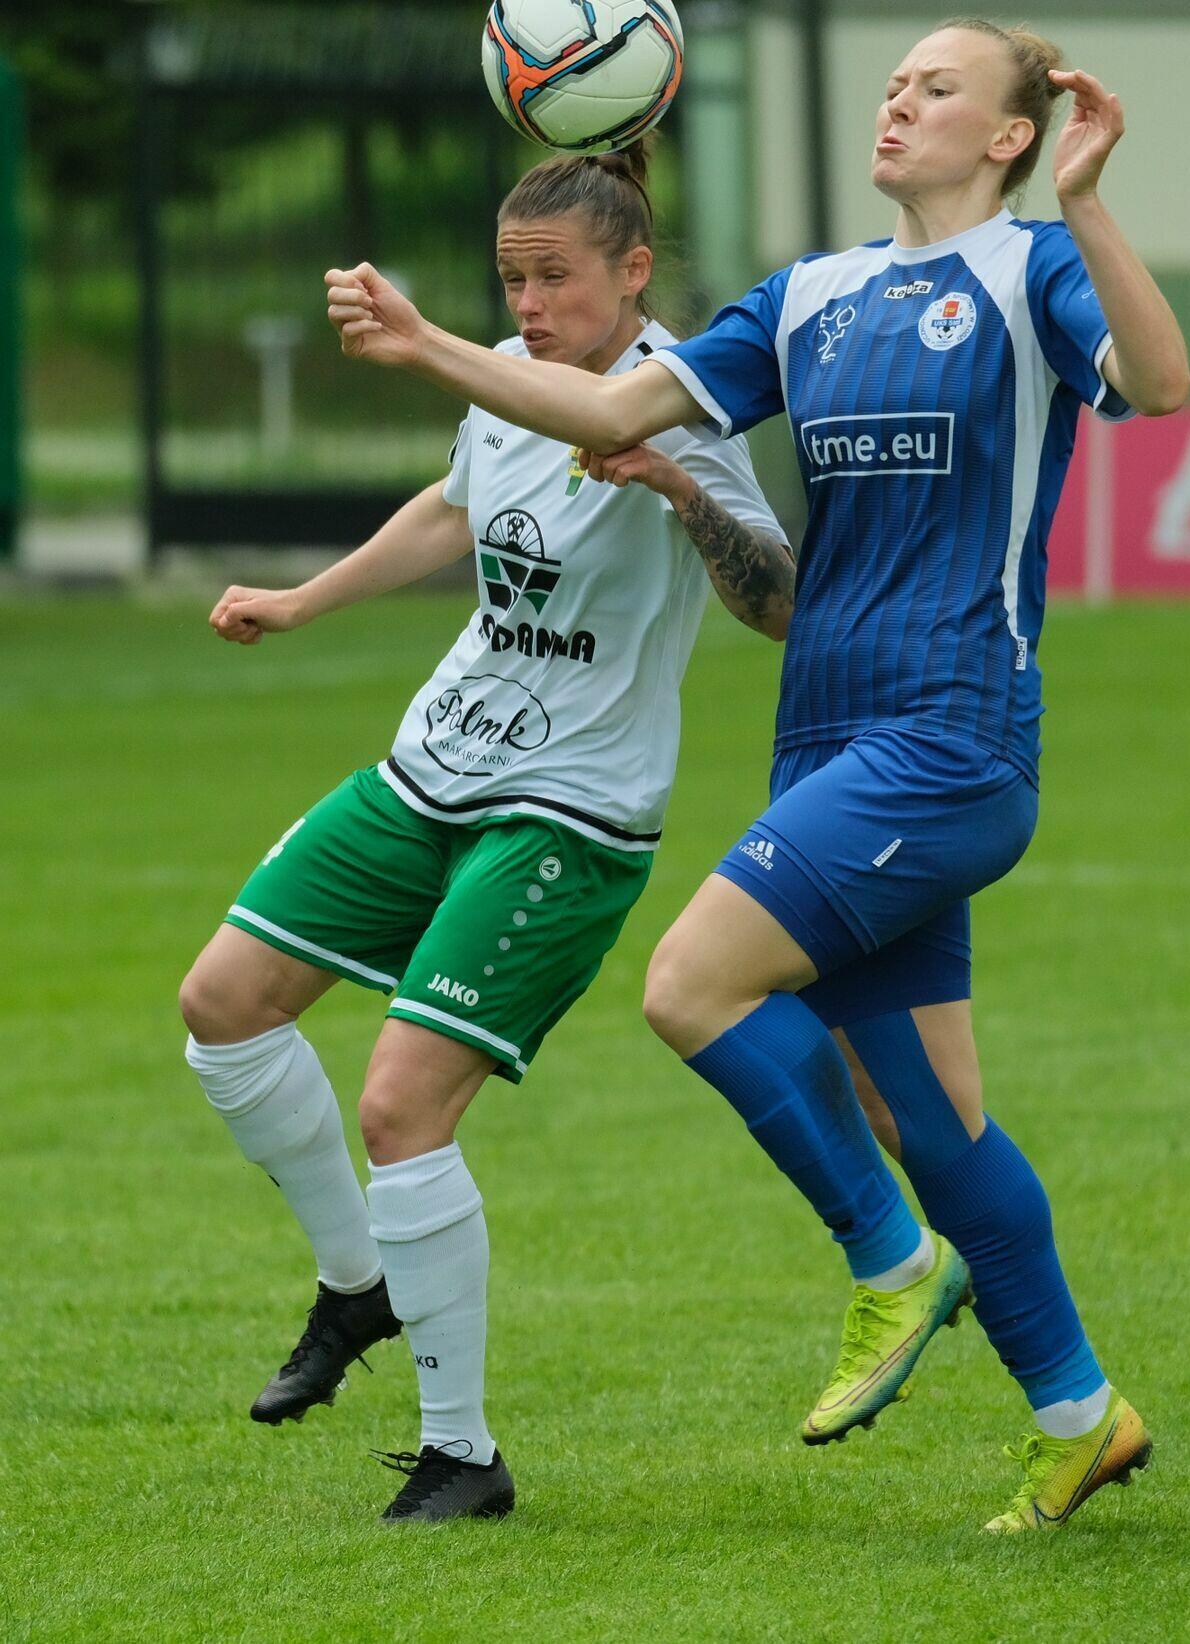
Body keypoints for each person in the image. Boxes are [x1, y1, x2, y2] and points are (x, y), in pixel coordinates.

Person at [323, 17, 1189, 1532]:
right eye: (895, 80)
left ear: (1010, 136)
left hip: (951, 735)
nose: (898, 99)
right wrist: (429, 346)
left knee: (691, 984)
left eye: (937, 87)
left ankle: (891, 1267)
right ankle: (1080, 1414)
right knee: (930, 1117)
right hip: (824, 737)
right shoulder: (809, 295)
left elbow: (1161, 384)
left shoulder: (1036, 264)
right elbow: (609, 409)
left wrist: (1089, 198)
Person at [182, 141, 793, 1524]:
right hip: (435, 766)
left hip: (571, 815)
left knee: (400, 1107)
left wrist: (679, 488)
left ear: (633, 272)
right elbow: (455, 510)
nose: (528, 304)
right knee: (221, 1007)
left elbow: (781, 603)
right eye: (511, 280)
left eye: (555, 278)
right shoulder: (506, 383)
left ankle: (462, 1455)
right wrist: (304, 599)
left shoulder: (686, 400)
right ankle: (360, 1286)